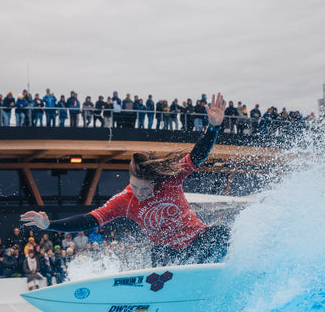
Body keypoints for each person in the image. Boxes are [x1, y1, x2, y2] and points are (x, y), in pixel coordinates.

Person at [21, 93, 230, 267]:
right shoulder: (125, 200)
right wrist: (49, 225)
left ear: (155, 182)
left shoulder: (170, 180)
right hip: (170, 256)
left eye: (144, 188)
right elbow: (88, 219)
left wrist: (213, 128)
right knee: (157, 253)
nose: (138, 192)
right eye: (134, 186)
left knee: (222, 233)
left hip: (197, 243)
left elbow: (197, 156)